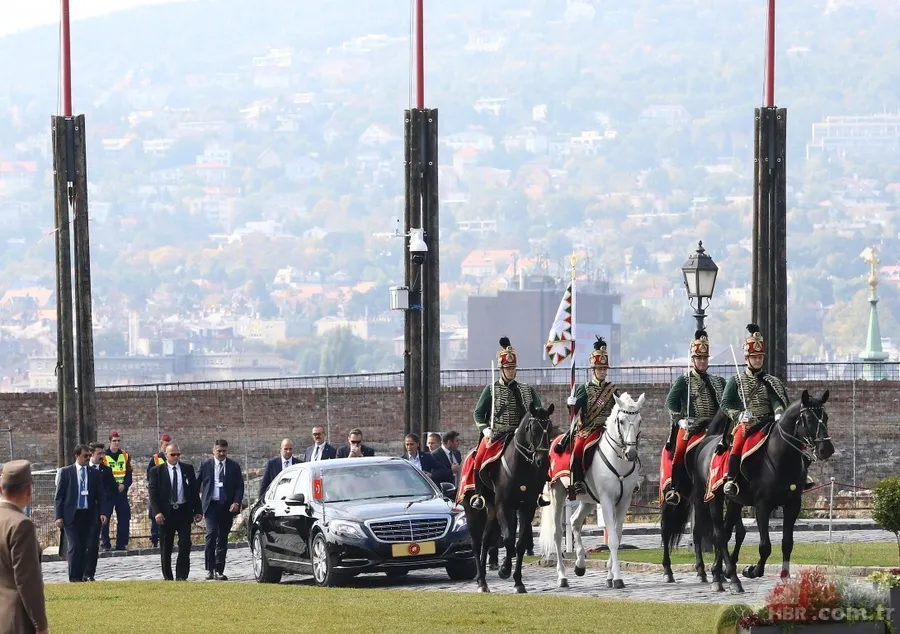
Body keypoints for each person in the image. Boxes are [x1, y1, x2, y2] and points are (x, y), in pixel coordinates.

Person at [468, 336, 542, 510]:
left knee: (541, 457)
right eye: (507, 368)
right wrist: (485, 429)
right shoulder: (491, 389)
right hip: (499, 434)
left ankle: (539, 492)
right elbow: (478, 413)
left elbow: (538, 410)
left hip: (520, 434)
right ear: (501, 369)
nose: (510, 371)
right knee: (478, 458)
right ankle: (479, 494)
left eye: (513, 368)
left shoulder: (527, 389)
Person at [720, 324, 790, 497]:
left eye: (760, 357)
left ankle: (797, 475)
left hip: (768, 422)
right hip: (747, 423)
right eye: (754, 357)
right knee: (737, 442)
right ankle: (732, 479)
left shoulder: (770, 380)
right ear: (746, 358)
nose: (758, 360)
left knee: (790, 441)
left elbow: (775, 400)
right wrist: (738, 415)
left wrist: (779, 412)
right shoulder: (736, 380)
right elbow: (726, 403)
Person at [661, 330, 726, 506]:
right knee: (680, 450)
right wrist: (679, 419)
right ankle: (675, 488)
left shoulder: (719, 381)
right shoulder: (684, 381)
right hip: (692, 426)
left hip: (715, 426)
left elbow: (727, 402)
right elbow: (670, 402)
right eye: (699, 358)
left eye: (705, 358)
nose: (702, 361)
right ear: (693, 360)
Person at [556, 336, 620, 500]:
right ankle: (577, 481)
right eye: (599, 369)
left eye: (604, 369)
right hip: (589, 428)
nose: (603, 372)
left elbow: (619, 409)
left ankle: (629, 480)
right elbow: (574, 412)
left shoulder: (612, 389)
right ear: (593, 370)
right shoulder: (584, 389)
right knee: (578, 449)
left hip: (608, 428)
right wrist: (571, 404)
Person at [0, 460, 49, 634]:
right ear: (29, 490)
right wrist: (40, 624)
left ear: (1, 489)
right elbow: (27, 580)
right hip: (16, 620)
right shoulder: (21, 525)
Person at [148, 442, 202, 581]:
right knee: (166, 546)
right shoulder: (157, 471)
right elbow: (153, 494)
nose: (176, 457)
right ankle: (168, 576)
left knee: (185, 544)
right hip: (166, 513)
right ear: (166, 455)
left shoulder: (187, 469)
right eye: (173, 454)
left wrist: (198, 510)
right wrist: (157, 512)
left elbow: (194, 492)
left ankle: (182, 575)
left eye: (178, 454)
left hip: (183, 511)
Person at [54, 444, 108, 582]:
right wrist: (58, 516)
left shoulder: (94, 473)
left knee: (86, 545)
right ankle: (74, 577)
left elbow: (100, 495)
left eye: (89, 456)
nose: (88, 458)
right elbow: (59, 496)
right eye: (85, 456)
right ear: (77, 456)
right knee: (75, 546)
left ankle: (84, 575)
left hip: (88, 514)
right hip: (71, 515)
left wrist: (103, 512)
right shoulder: (66, 472)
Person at [199, 439, 244, 581]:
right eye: (219, 451)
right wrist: (197, 507)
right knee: (211, 534)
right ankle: (209, 568)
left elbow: (239, 486)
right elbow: (196, 484)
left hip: (226, 506)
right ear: (214, 451)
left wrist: (236, 502)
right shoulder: (206, 465)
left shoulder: (233, 466)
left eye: (224, 451)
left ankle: (219, 569)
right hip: (211, 505)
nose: (221, 453)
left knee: (223, 538)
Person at [83, 442, 117, 581]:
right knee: (80, 544)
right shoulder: (83, 469)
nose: (102, 456)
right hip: (82, 510)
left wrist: (104, 506)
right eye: (99, 453)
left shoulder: (106, 470)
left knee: (92, 544)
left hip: (98, 512)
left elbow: (112, 489)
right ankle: (79, 571)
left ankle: (90, 573)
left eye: (103, 453)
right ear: (91, 454)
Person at [102, 430, 132, 551]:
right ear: (110, 441)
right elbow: (103, 474)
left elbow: (129, 473)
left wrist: (125, 485)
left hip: (121, 492)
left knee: (124, 518)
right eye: (114, 441)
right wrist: (113, 486)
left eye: (118, 441)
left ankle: (121, 543)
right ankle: (105, 543)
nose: (117, 443)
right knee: (105, 518)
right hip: (108, 493)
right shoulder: (104, 456)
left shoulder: (125, 455)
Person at [147, 433, 171, 547]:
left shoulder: (171, 457)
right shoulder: (155, 458)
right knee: (155, 514)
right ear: (161, 444)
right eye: (166, 444)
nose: (167, 446)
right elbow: (149, 475)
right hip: (158, 491)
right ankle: (154, 539)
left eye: (169, 444)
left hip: (169, 493)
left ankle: (165, 537)